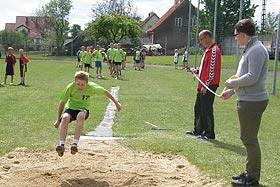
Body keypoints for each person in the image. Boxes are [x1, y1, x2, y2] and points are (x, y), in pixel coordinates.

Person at [220, 19, 269, 187]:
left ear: (242, 34)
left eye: (236, 36)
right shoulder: (251, 49)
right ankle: (249, 174)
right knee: (247, 137)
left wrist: (231, 84)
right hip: (247, 99)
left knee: (249, 139)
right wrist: (230, 92)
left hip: (252, 102)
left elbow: (252, 77)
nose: (235, 39)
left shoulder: (256, 50)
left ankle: (252, 178)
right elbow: (244, 77)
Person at [53, 71, 121, 157]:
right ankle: (61, 145)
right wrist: (57, 120)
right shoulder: (70, 87)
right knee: (65, 118)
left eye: (82, 85)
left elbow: (105, 92)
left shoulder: (92, 88)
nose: (80, 87)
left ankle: (74, 144)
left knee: (80, 116)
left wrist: (116, 103)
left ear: (87, 83)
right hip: (71, 109)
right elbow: (62, 103)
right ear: (75, 82)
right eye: (78, 84)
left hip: (83, 110)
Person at [186, 30, 221, 140]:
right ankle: (198, 130)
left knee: (206, 109)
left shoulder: (214, 51)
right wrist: (196, 71)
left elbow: (212, 70)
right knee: (198, 108)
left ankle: (209, 133)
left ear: (207, 37)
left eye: (201, 39)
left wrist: (206, 86)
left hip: (209, 85)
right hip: (202, 84)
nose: (201, 42)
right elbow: (205, 68)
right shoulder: (207, 51)